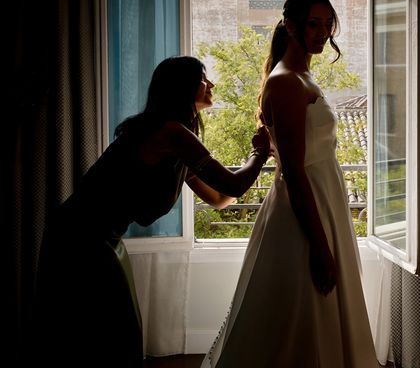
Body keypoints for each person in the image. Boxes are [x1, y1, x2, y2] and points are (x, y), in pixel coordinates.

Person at [34, 55, 272, 368]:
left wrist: (256, 163)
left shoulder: (176, 142)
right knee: (111, 336)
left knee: (112, 335)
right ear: (183, 88)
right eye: (204, 78)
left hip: (101, 237)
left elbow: (219, 197)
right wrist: (259, 154)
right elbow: (233, 185)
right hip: (81, 238)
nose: (211, 84)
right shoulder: (171, 133)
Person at [201, 0, 379, 368]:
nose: (323, 32)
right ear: (291, 25)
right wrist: (318, 244)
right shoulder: (285, 82)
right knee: (300, 315)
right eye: (314, 23)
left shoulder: (302, 77)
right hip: (303, 209)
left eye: (328, 24)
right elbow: (295, 172)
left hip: (324, 199)